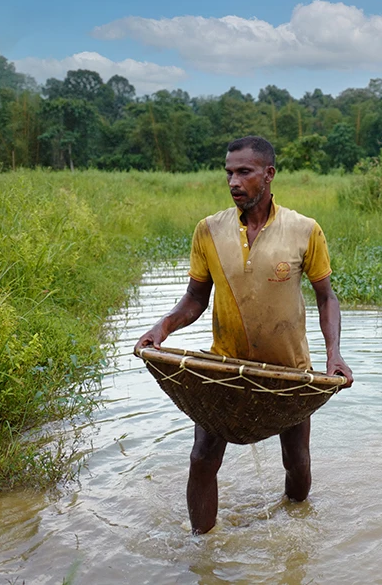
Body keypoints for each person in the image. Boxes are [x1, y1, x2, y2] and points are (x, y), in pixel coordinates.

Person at [135, 135, 353, 534]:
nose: (234, 182)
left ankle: (297, 530)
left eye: (244, 172)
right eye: (229, 173)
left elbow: (326, 297)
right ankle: (203, 551)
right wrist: (161, 327)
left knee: (298, 462)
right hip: (225, 368)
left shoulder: (305, 230)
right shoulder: (208, 231)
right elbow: (195, 299)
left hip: (289, 373)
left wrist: (334, 353)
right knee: (202, 457)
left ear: (268, 175)